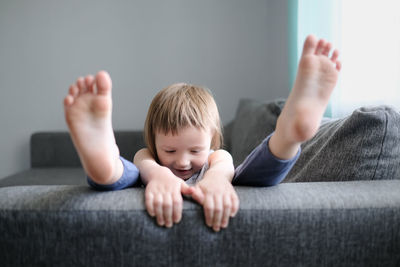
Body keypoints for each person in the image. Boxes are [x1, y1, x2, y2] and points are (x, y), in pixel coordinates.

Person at [63, 34, 341, 232]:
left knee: (252, 176)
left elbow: (224, 164)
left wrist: (217, 179)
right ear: (154, 141)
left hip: (224, 174)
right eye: (170, 151)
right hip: (138, 172)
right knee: (129, 174)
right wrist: (159, 174)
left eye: (195, 150)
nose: (182, 162)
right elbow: (144, 161)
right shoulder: (149, 157)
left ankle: (289, 134)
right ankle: (103, 163)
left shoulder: (215, 156)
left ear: (211, 141)